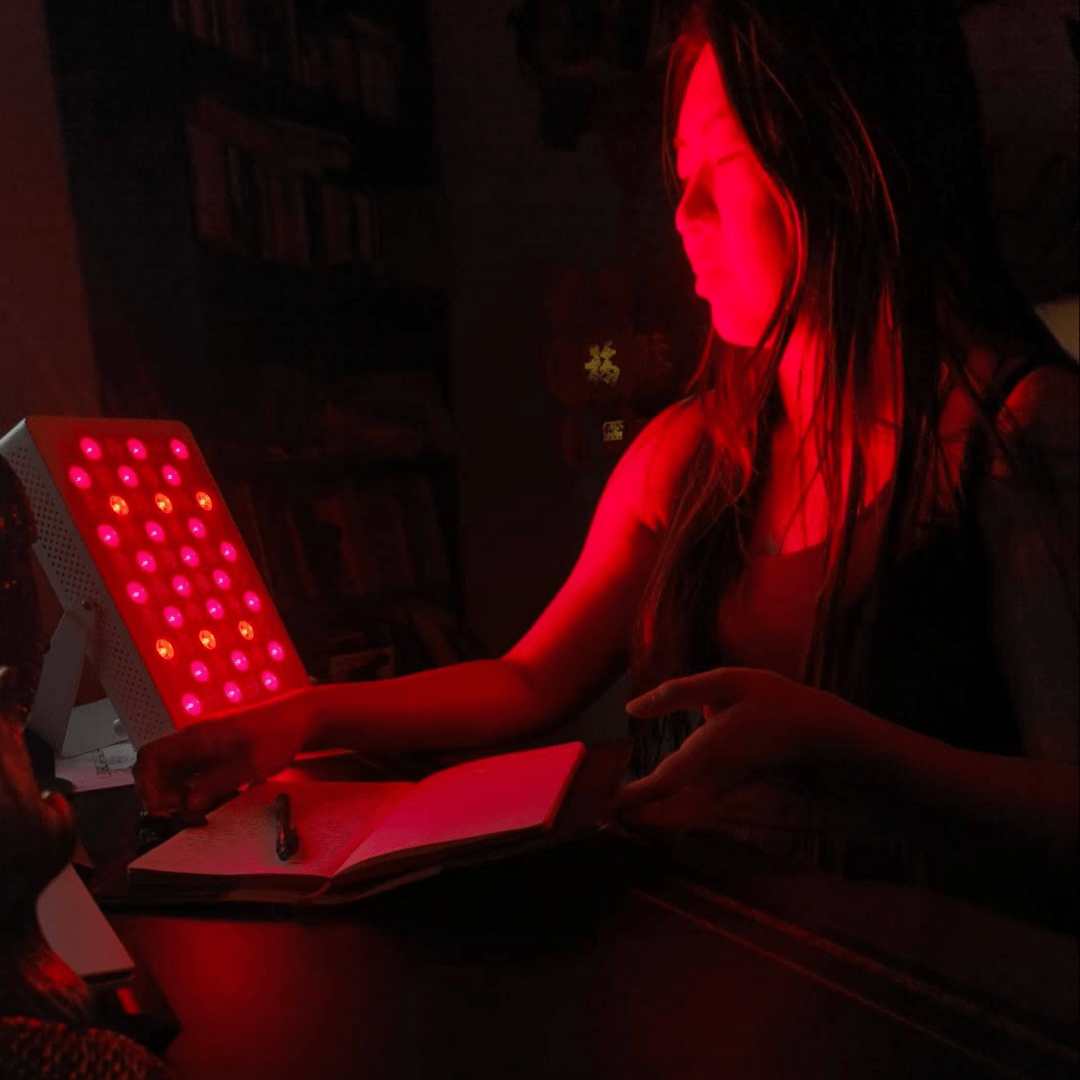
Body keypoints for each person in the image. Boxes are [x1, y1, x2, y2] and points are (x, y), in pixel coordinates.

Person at [136, 0, 1078, 921]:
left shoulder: (1018, 431)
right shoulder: (694, 449)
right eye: (682, 176)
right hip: (711, 968)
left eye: (723, 165)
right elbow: (528, 681)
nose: (687, 215)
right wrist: (302, 716)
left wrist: (842, 746)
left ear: (852, 157)